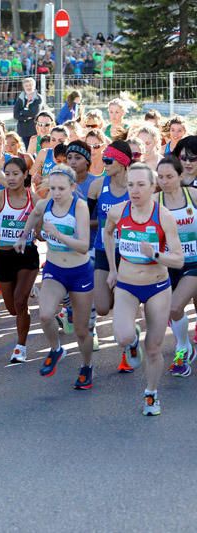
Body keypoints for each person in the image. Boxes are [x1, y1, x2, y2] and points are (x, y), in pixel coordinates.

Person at [104, 164, 183, 415]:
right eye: (130, 185)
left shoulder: (164, 217)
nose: (134, 190)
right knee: (123, 337)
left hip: (158, 287)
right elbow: (107, 234)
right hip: (127, 284)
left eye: (141, 185)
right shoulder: (117, 212)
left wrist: (157, 253)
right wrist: (112, 269)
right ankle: (132, 341)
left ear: (153, 187)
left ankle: (151, 393)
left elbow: (179, 259)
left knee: (154, 349)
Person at [17, 165, 95, 388]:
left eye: (61, 188)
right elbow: (34, 214)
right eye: (52, 188)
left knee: (81, 330)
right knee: (45, 315)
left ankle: (87, 365)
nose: (56, 193)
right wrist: (24, 236)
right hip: (55, 269)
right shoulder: (45, 204)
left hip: (80, 272)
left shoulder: (79, 207)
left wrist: (58, 234)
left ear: (72, 187)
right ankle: (56, 348)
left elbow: (83, 246)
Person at [88, 141, 132, 372]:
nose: (103, 163)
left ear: (123, 163)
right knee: (103, 307)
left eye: (108, 160)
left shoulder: (136, 187)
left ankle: (128, 349)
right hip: (103, 249)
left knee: (124, 308)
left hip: (129, 254)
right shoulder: (97, 186)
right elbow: (87, 218)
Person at [0, 157, 39, 363]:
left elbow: (42, 232)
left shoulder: (34, 200)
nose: (11, 178)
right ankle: (28, 292)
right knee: (12, 308)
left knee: (20, 302)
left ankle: (20, 346)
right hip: (2, 257)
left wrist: (44, 232)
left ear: (25, 175)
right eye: (7, 174)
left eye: (15, 174)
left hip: (26, 256)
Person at [156, 156, 197, 376]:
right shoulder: (154, 201)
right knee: (168, 312)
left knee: (174, 307)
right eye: (160, 177)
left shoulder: (193, 196)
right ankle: (185, 344)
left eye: (169, 176)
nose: (164, 181)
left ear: (181, 176)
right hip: (167, 265)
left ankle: (182, 348)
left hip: (194, 263)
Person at [13, 77, 45, 149]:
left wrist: (22, 112)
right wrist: (27, 116)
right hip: (23, 130)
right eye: (26, 86)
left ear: (34, 86)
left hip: (35, 129)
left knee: (37, 149)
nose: (28, 87)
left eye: (30, 85)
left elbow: (34, 113)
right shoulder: (20, 98)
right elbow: (15, 115)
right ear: (24, 87)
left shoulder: (38, 98)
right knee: (28, 150)